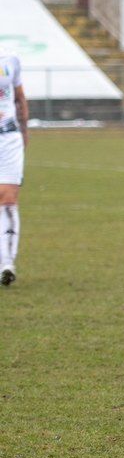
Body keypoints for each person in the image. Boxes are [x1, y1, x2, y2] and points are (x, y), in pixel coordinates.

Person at [0, 46, 27, 287]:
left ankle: (7, 262)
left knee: (8, 197)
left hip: (8, 137)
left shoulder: (10, 59)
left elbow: (19, 96)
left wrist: (24, 130)